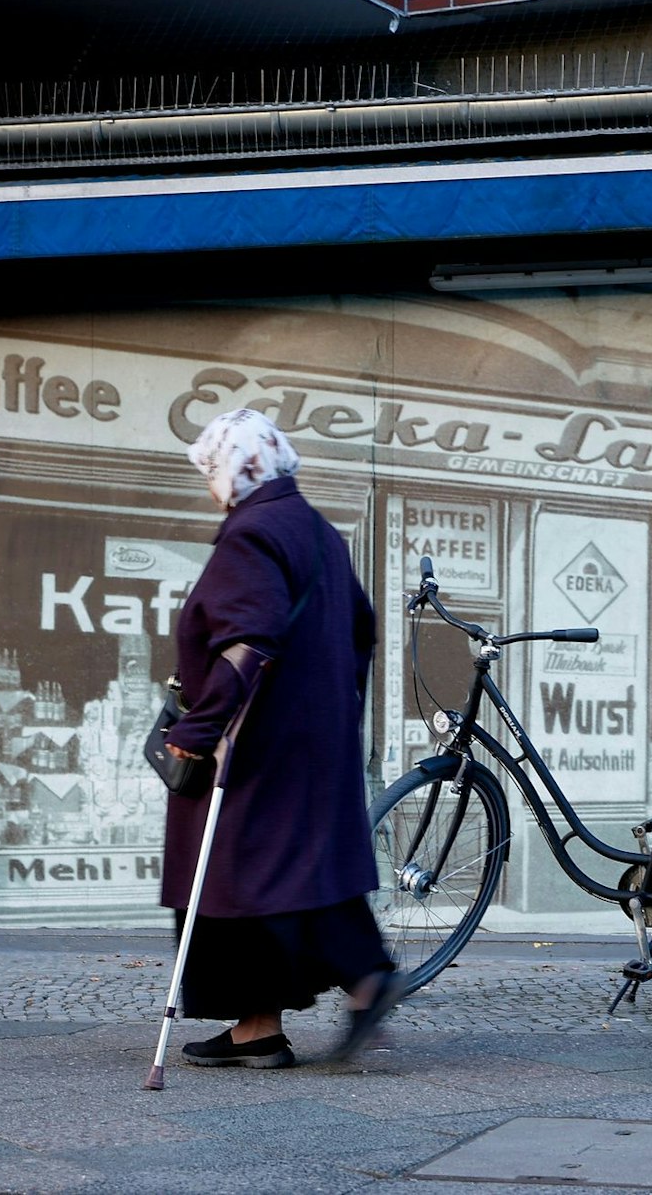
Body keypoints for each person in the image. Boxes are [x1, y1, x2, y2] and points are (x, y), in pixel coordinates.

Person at [162, 408, 402, 1069]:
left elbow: (249, 636)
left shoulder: (251, 534)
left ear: (240, 468)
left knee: (239, 873)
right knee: (284, 874)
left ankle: (362, 980)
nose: (211, 483)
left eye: (213, 469)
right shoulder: (319, 531)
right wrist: (333, 706)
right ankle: (256, 1027)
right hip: (310, 738)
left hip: (255, 740)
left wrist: (198, 725)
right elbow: (362, 627)